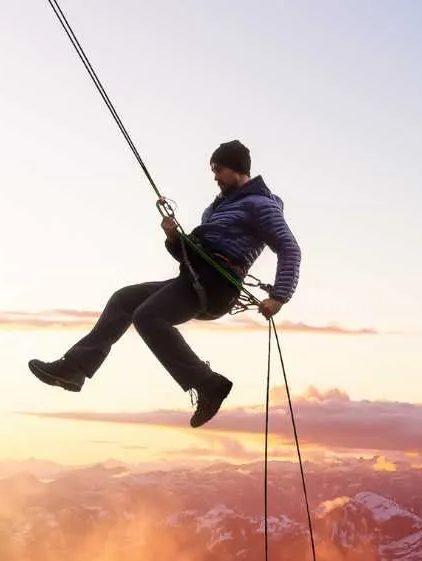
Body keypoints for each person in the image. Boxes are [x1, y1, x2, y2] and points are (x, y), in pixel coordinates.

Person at [28, 139, 302, 428]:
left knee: (148, 315)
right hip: (196, 278)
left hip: (217, 285)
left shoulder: (260, 204)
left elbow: (289, 248)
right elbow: (192, 256)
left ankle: (208, 384)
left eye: (218, 170)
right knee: (125, 299)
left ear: (236, 169)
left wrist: (279, 297)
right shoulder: (216, 209)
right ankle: (74, 368)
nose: (215, 177)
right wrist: (174, 237)